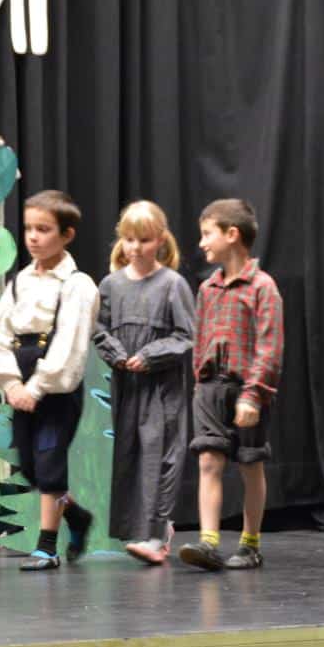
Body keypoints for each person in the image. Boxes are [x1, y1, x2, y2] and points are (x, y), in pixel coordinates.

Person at [0, 190, 100, 570]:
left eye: (44, 229)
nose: (33, 237)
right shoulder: (21, 282)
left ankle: (47, 547)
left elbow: (69, 344)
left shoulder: (77, 285)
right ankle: (76, 516)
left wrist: (36, 387)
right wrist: (11, 384)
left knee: (50, 461)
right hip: (21, 380)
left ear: (66, 235)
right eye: (29, 228)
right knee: (32, 468)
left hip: (55, 386)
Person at [178, 199, 283, 571]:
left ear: (232, 234)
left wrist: (253, 394)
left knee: (250, 464)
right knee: (208, 459)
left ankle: (250, 544)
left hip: (247, 390)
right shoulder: (208, 288)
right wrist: (199, 382)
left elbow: (270, 346)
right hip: (210, 388)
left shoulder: (262, 287)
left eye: (208, 234)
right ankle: (208, 542)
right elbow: (200, 339)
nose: (202, 243)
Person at [93, 200, 194, 565]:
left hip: (161, 387)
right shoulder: (111, 285)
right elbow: (99, 328)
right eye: (130, 239)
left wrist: (150, 355)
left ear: (160, 241)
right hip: (126, 386)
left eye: (145, 240)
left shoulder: (172, 284)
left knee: (161, 454)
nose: (136, 248)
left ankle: (158, 532)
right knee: (129, 456)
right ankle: (137, 529)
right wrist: (116, 353)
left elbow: (186, 335)